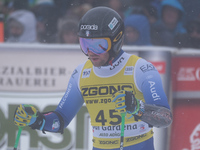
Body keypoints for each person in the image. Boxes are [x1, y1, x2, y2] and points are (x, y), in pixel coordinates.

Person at [14, 7, 172, 150]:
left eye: (98, 45)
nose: (90, 52)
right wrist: (36, 120)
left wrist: (138, 108)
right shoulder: (81, 74)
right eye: (84, 44)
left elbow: (165, 118)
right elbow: (60, 120)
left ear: (116, 40)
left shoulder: (141, 69)